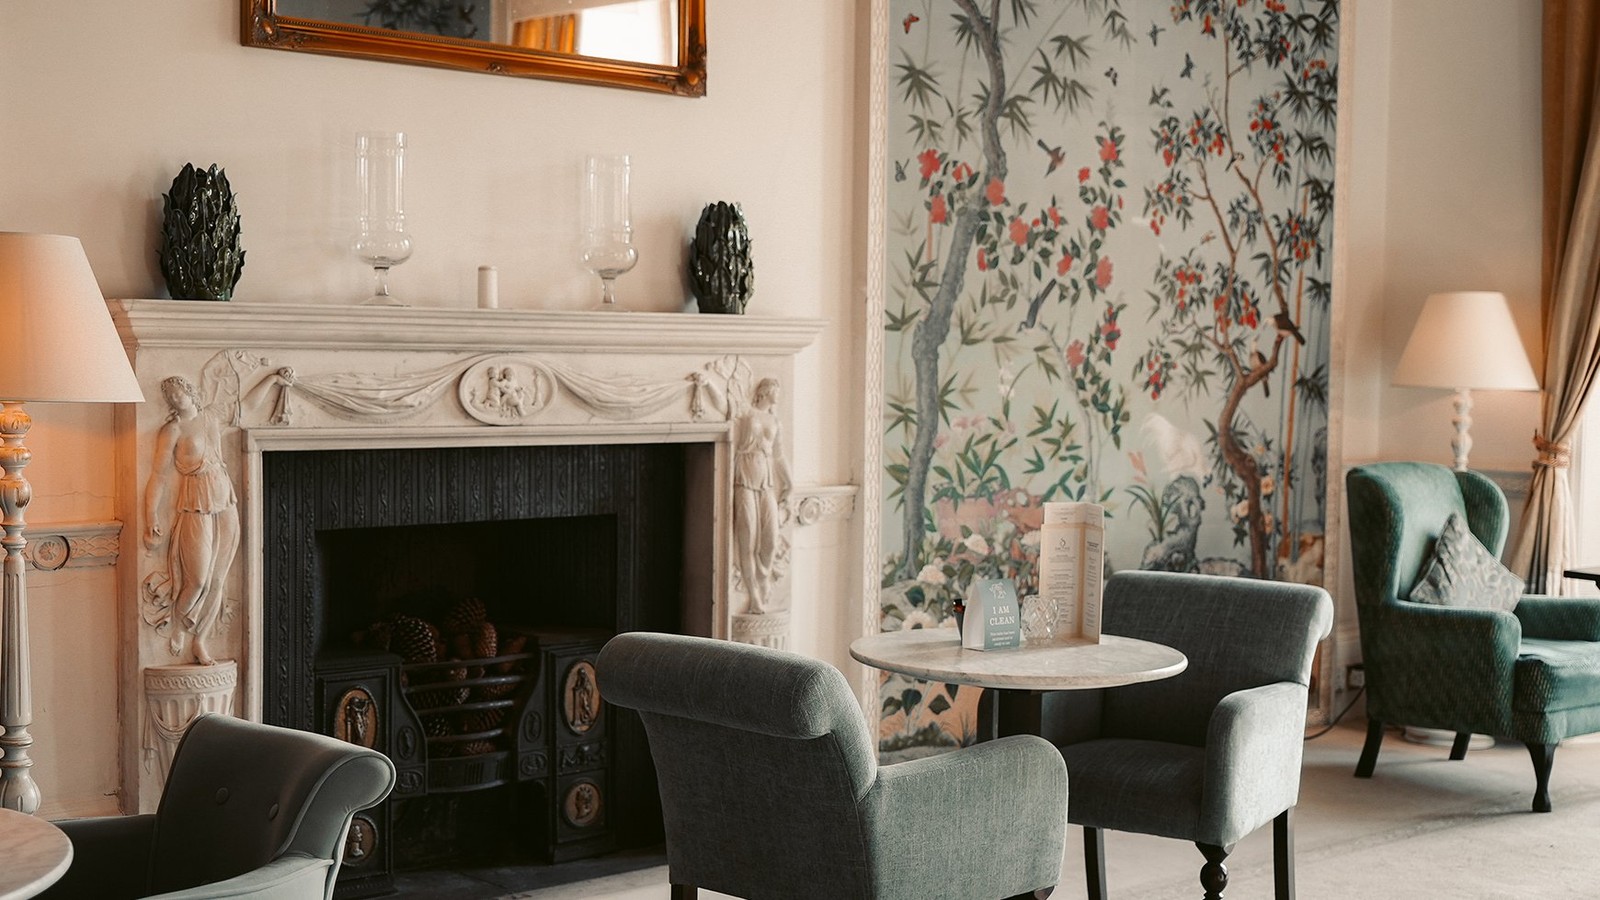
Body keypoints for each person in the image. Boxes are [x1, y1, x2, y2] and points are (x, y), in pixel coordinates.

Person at [143, 375, 240, 666]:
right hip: (194, 503)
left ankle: (200, 641)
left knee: (218, 580)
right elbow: (158, 477)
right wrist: (150, 515)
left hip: (225, 502)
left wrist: (274, 380)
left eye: (178, 392)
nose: (174, 399)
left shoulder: (211, 417)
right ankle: (178, 625)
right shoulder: (172, 430)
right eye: (169, 396)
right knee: (197, 579)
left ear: (190, 392)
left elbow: (244, 403)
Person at [732, 378, 791, 612]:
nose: (779, 394)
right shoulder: (747, 413)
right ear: (765, 391)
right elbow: (725, 407)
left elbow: (779, 456)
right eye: (776, 390)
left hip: (766, 482)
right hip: (744, 480)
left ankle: (764, 577)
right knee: (747, 539)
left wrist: (789, 483)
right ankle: (753, 595)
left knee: (770, 538)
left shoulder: (775, 420)